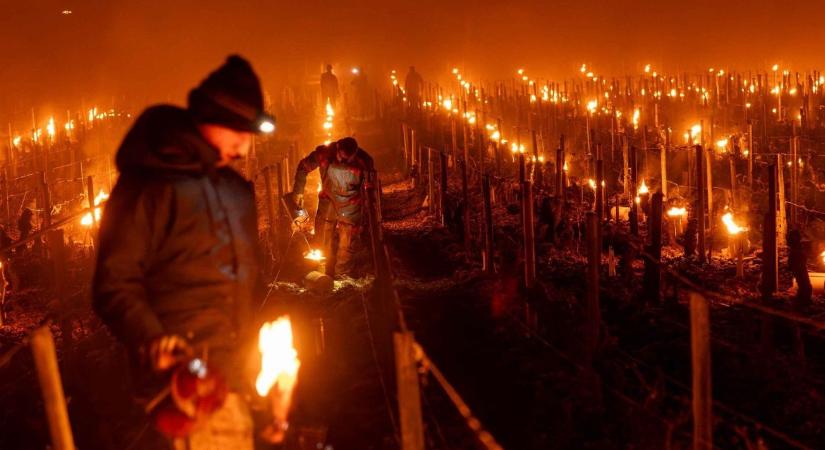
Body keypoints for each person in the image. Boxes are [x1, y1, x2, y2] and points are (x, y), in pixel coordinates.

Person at [92, 55, 275, 450]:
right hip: (178, 392)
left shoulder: (235, 192)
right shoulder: (149, 186)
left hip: (233, 382)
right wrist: (155, 339)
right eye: (238, 131)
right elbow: (114, 282)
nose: (244, 148)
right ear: (210, 118)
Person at [291, 137, 374, 278]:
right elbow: (303, 167)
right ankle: (320, 274)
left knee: (346, 246)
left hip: (351, 205)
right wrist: (298, 191)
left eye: (349, 159)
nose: (344, 162)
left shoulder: (364, 161)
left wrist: (369, 206)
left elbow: (371, 187)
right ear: (337, 149)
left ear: (355, 153)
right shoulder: (324, 154)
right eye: (342, 157)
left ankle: (342, 278)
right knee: (322, 240)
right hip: (328, 202)